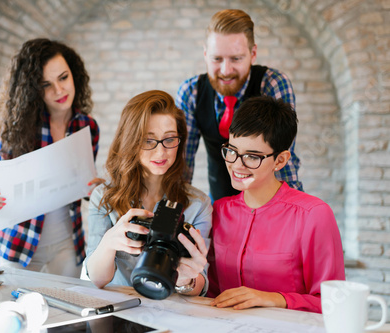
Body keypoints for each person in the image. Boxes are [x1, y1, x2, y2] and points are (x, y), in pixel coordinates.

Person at [0, 38, 101, 277]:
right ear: (34, 90)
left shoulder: (88, 127)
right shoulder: (19, 127)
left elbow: (83, 184)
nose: (59, 90)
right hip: (19, 244)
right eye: (46, 84)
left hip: (68, 242)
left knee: (68, 311)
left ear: (74, 75)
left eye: (63, 78)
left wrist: (96, 190)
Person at [207, 96, 345, 313]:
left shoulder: (314, 215)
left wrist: (273, 299)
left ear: (280, 160)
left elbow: (334, 302)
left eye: (252, 156)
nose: (236, 165)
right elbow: (211, 291)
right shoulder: (219, 211)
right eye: (232, 151)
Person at [86, 90, 212, 296]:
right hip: (120, 307)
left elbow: (198, 286)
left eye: (170, 139)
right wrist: (109, 242)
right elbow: (97, 280)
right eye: (148, 140)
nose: (161, 152)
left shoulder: (198, 204)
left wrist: (186, 278)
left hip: (171, 310)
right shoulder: (104, 196)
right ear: (131, 141)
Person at [176, 9, 303, 202]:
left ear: (253, 54)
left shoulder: (273, 84)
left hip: (267, 203)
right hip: (219, 203)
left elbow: (283, 161)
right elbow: (182, 165)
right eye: (217, 59)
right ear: (205, 54)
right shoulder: (191, 92)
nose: (226, 70)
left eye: (236, 59)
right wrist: (173, 212)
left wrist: (292, 211)